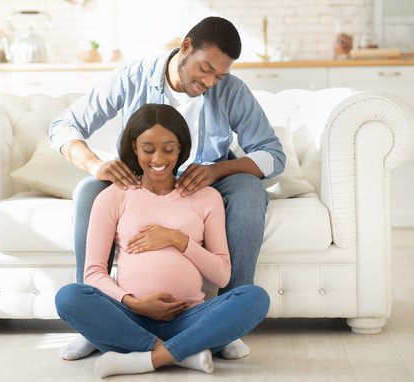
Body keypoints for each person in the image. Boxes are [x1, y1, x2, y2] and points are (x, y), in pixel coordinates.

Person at [49, 16, 285, 360]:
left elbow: (273, 155)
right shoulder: (133, 77)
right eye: (204, 69)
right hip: (142, 180)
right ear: (185, 47)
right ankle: (98, 322)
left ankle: (223, 320)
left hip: (204, 182)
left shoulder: (229, 89)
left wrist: (218, 169)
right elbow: (64, 125)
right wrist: (94, 164)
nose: (209, 82)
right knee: (89, 190)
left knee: (250, 190)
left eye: (219, 76)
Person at [55, 103, 270, 378]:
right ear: (134, 147)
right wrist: (133, 303)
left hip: (190, 320)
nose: (159, 158)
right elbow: (93, 273)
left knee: (254, 298)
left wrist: (178, 240)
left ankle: (146, 358)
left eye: (168, 149)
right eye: (148, 149)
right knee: (69, 296)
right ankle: (180, 354)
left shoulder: (206, 197)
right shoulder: (114, 196)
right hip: (130, 319)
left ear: (181, 148)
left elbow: (223, 273)